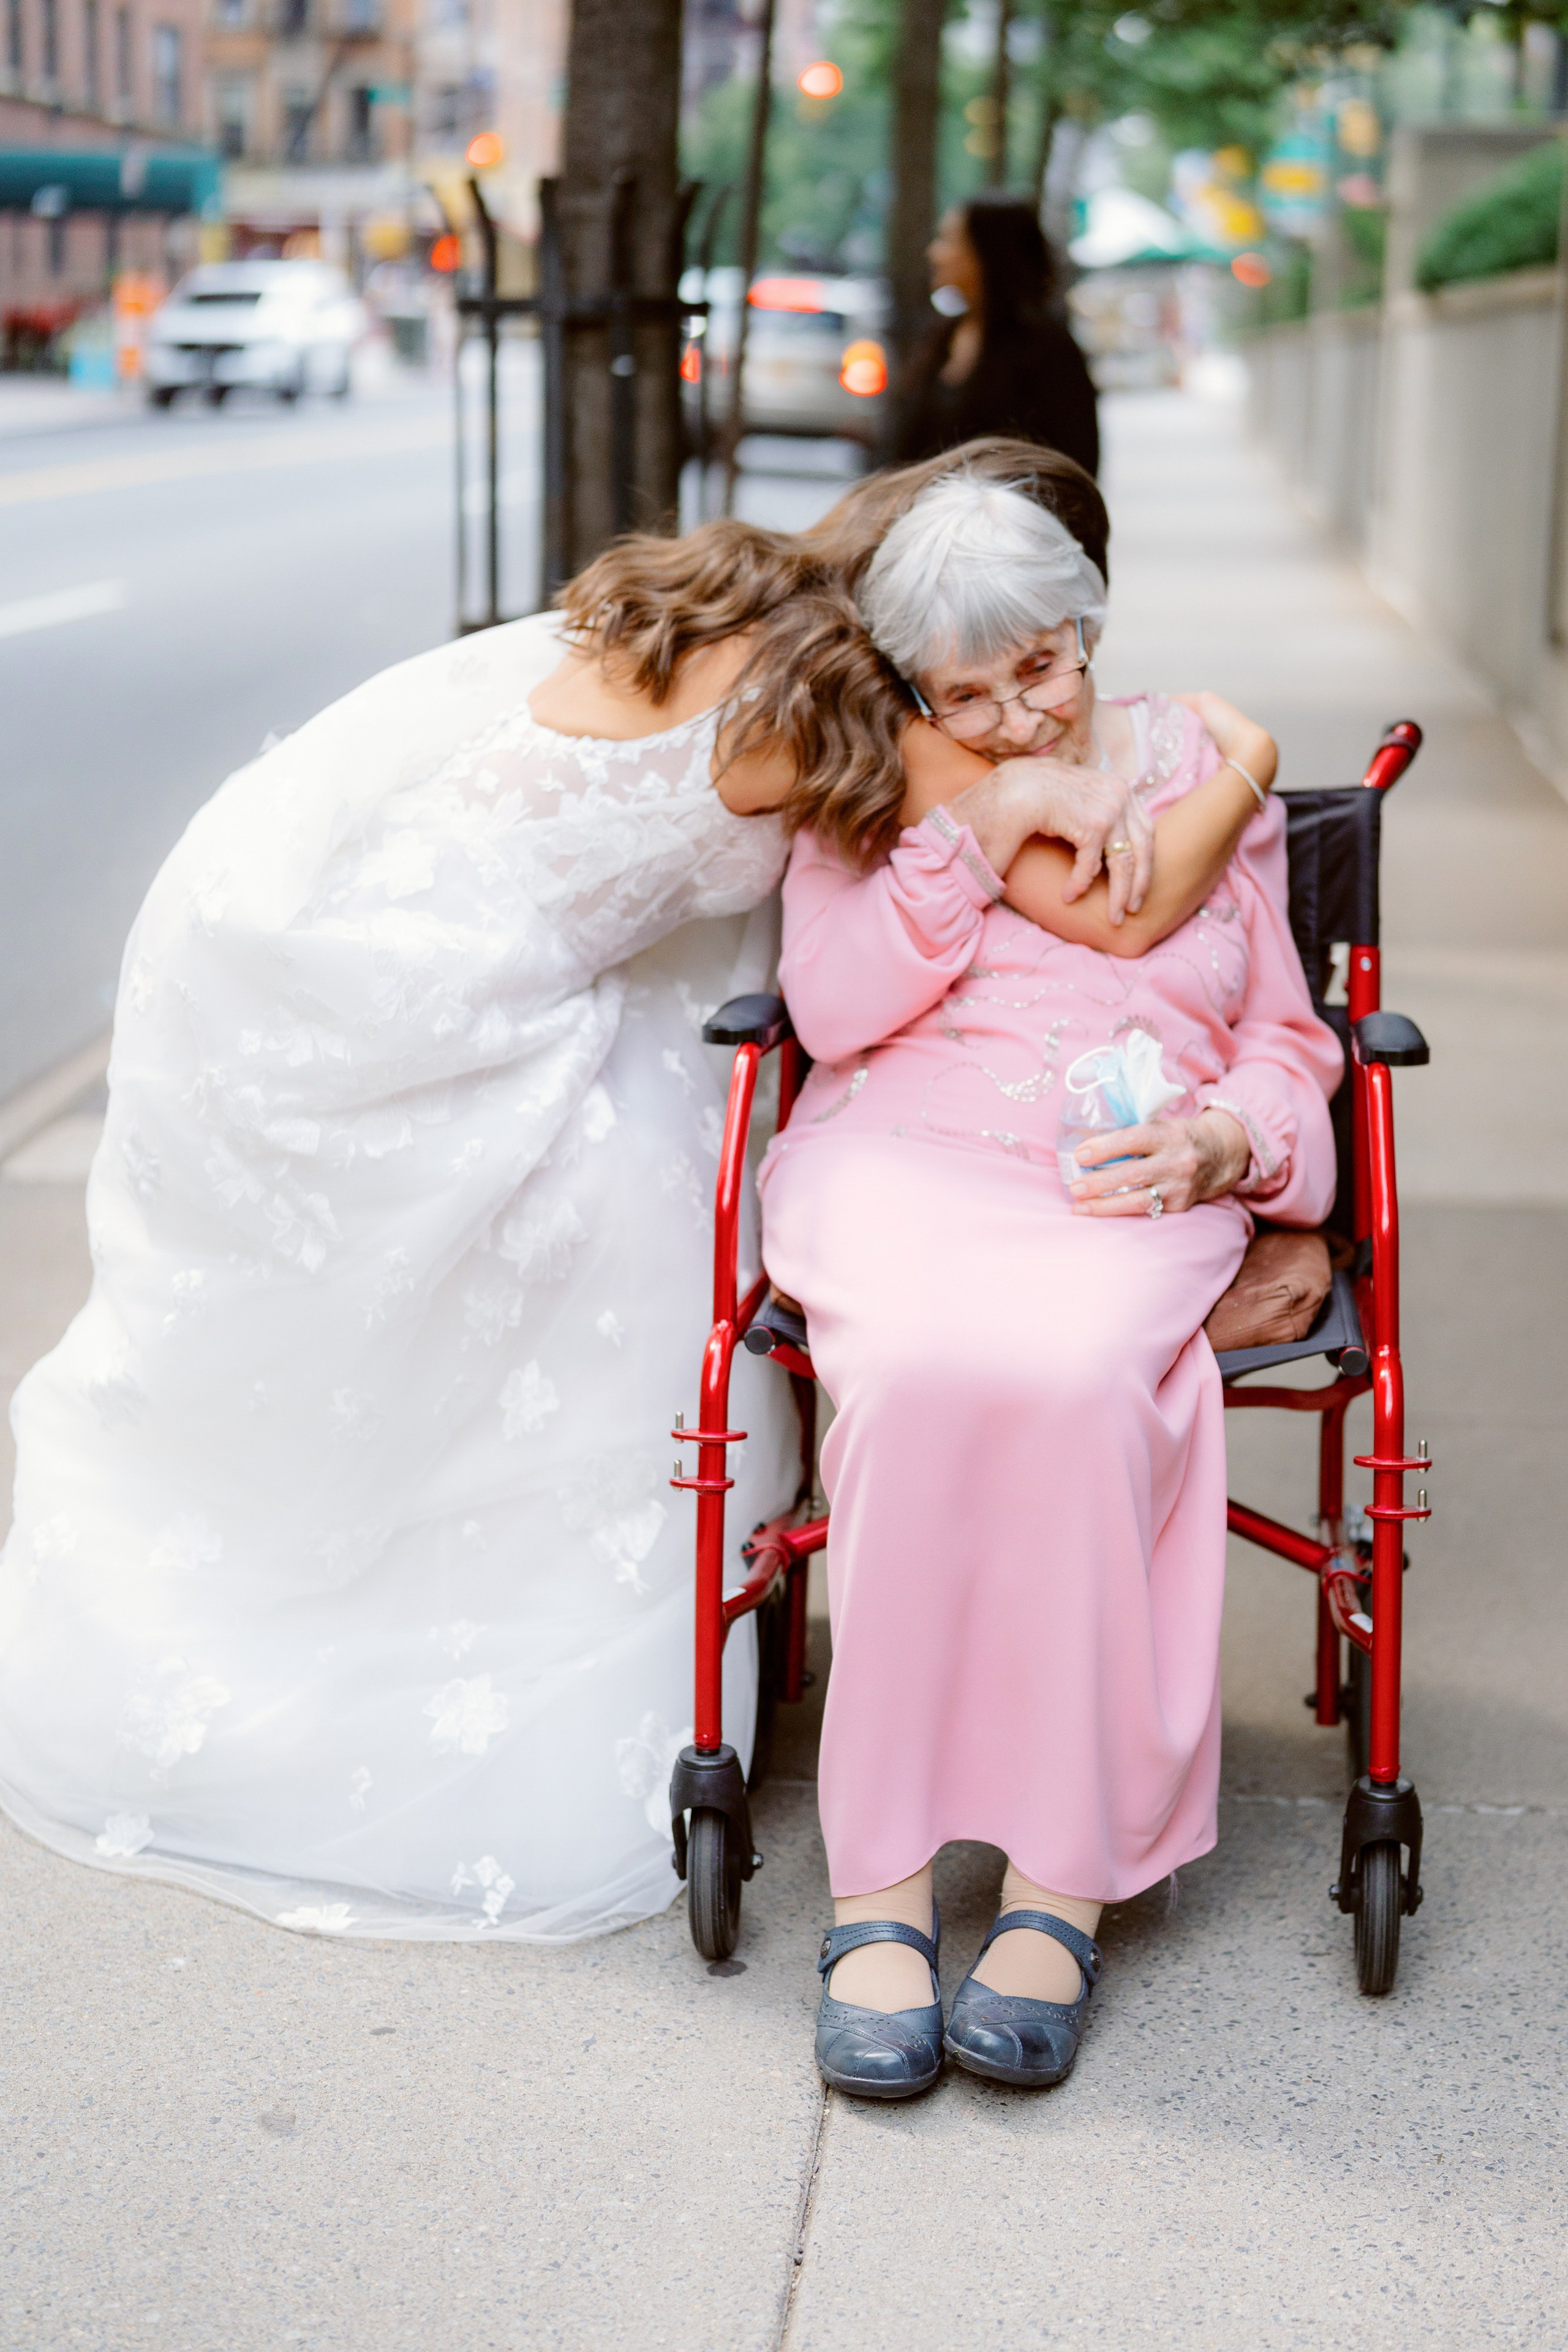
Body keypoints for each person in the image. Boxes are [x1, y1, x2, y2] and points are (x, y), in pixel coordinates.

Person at [0, 505, 1232, 1945]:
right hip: (425, 997)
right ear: (904, 646)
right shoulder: (851, 709)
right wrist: (1242, 757)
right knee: (635, 1245)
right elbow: (1106, 914)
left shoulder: (726, 591)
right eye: (963, 670)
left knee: (476, 1249)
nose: (991, 704)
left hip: (289, 920)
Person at [757, 469, 1343, 2097]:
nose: (1021, 710)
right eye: (972, 686)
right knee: (930, 1361)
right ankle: (877, 1886)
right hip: (907, 1148)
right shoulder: (882, 779)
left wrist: (1234, 1140)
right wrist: (972, 832)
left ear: (1087, 628)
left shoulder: (1201, 773)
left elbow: (1291, 1038)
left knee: (1086, 1373)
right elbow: (832, 1002)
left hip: (1127, 1165)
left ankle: (1055, 1881)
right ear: (912, 689)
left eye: (1046, 663)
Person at [890, 195, 1099, 478]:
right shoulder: (942, 335)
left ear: (987, 254)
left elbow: (1075, 462)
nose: (934, 253)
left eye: (949, 241)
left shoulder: (1047, 348)